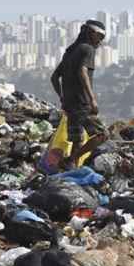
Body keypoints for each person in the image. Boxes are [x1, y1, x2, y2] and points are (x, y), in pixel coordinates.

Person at [51, 20, 108, 169]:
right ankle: (70, 160)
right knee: (102, 135)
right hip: (82, 103)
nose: (100, 42)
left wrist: (62, 97)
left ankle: (73, 171)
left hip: (69, 104)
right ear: (91, 33)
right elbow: (82, 71)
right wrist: (92, 99)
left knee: (77, 140)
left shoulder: (70, 52)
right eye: (100, 37)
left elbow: (54, 77)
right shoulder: (87, 49)